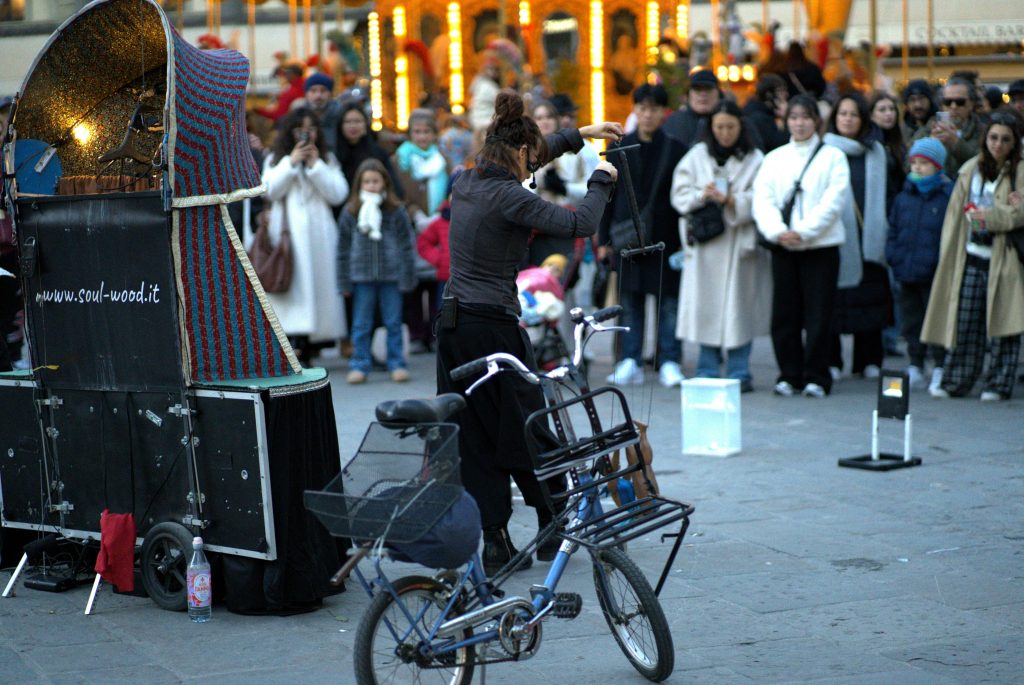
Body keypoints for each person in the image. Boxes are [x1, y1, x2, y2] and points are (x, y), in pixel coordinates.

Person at [436, 89, 621, 574]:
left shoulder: (467, 179)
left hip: (452, 326)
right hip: (493, 328)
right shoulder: (511, 196)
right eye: (530, 159)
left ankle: (495, 539)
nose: (533, 168)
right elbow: (581, 222)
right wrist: (602, 178)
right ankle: (551, 523)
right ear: (519, 153)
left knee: (472, 435)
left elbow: (533, 150)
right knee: (528, 429)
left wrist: (580, 135)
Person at [921, 111, 1024, 401]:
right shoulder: (970, 169)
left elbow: (1021, 212)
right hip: (969, 255)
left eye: (1005, 139)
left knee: (1005, 324)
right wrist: (1002, 214)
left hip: (1006, 258)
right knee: (965, 322)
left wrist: (988, 218)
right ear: (984, 139)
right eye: (993, 137)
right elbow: (957, 216)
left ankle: (998, 383)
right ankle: (957, 380)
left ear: (1014, 143)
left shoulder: (1020, 171)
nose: (998, 145)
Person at [752, 94, 851, 398]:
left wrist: (804, 232)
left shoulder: (833, 156)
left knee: (819, 313)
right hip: (783, 246)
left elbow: (834, 201)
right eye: (794, 117)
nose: (799, 123)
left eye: (806, 117)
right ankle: (789, 374)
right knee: (785, 313)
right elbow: (762, 199)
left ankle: (817, 375)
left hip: (821, 246)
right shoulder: (775, 158)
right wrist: (778, 232)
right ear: (786, 121)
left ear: (816, 121)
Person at [670, 100, 770, 392]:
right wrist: (703, 194)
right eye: (720, 127)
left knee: (740, 306)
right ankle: (707, 368)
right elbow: (679, 195)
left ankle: (740, 370)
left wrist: (733, 201)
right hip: (706, 243)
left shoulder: (755, 159)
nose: (725, 133)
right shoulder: (696, 156)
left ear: (741, 127)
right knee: (706, 305)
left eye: (730, 127)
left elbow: (764, 197)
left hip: (741, 243)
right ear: (711, 129)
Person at [600, 84, 688, 388]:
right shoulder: (617, 147)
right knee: (630, 301)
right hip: (627, 238)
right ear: (634, 110)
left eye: (653, 108)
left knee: (669, 303)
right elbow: (605, 196)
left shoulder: (677, 148)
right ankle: (630, 360)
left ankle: (669, 360)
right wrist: (602, 240)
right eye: (642, 108)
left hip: (666, 238)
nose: (647, 114)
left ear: (664, 113)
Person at [260, 107, 350, 365]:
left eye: (311, 129)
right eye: (301, 129)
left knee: (319, 287)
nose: (306, 134)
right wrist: (291, 162)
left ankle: (312, 344)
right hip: (287, 237)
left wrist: (315, 165)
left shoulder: (327, 159)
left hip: (320, 236)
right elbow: (268, 190)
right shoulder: (276, 159)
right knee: (291, 288)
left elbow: (338, 193)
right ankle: (292, 344)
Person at [824, 92, 892, 381]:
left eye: (853, 114)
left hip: (872, 239)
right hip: (836, 239)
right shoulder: (824, 152)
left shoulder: (877, 152)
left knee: (871, 302)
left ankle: (869, 359)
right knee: (833, 304)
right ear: (834, 118)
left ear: (863, 119)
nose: (848, 119)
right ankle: (832, 360)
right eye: (843, 114)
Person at [337, 159, 417, 384]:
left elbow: (406, 245)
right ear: (359, 184)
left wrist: (408, 276)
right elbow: (342, 248)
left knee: (393, 322)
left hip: (391, 276)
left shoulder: (396, 210)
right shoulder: (351, 212)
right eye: (367, 181)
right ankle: (359, 364)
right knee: (361, 324)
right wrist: (343, 282)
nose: (371, 185)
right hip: (361, 277)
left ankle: (397, 363)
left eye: (375, 181)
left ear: (384, 182)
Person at [885, 137, 953, 392]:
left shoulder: (947, 196)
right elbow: (894, 229)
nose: (917, 167)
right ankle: (915, 362)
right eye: (914, 162)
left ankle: (939, 365)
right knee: (911, 321)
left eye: (924, 163)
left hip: (933, 272)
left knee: (934, 319)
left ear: (937, 166)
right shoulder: (904, 197)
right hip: (907, 270)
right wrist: (893, 255)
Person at [914, 77, 984, 178]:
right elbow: (908, 166)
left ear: (971, 104)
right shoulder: (927, 130)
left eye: (960, 102)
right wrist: (929, 145)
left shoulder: (982, 131)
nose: (953, 106)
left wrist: (956, 143)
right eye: (948, 102)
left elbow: (984, 164)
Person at [662, 68, 721, 148]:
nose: (703, 94)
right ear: (689, 94)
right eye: (697, 89)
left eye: (708, 88)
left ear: (718, 93)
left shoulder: (729, 121)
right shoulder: (674, 121)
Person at [744, 73, 789, 153]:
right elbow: (779, 145)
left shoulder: (754, 110)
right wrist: (787, 117)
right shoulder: (760, 118)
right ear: (769, 95)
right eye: (781, 91)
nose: (786, 94)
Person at [302, 72, 341, 151]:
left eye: (323, 91)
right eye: (313, 91)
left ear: (330, 94)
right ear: (306, 94)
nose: (318, 95)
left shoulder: (340, 114)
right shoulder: (299, 115)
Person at [900, 79, 937, 144]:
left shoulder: (939, 125)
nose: (918, 105)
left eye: (921, 98)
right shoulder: (901, 130)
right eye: (912, 100)